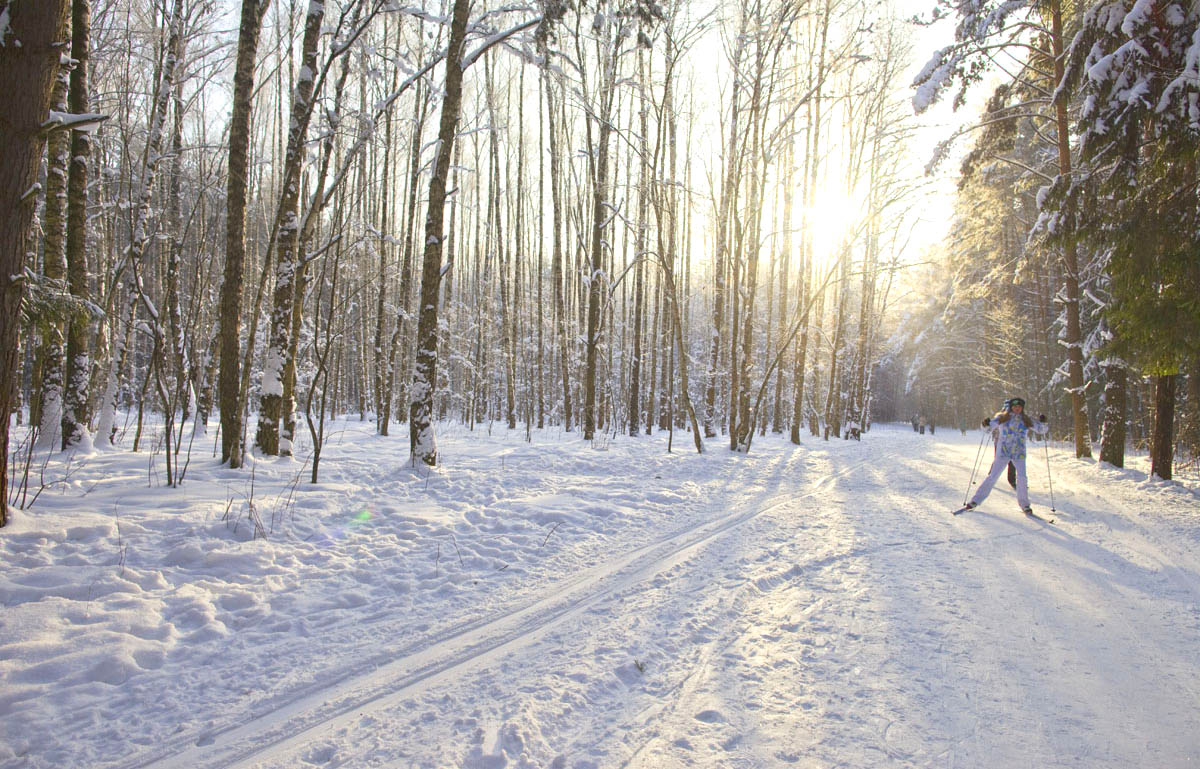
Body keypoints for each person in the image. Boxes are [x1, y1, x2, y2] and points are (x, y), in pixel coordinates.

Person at [964, 397, 1048, 514]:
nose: (1017, 409)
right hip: (1003, 452)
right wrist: (985, 424)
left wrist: (1043, 422)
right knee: (993, 476)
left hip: (1019, 453)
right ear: (1011, 407)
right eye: (1014, 407)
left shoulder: (1026, 419)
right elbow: (988, 428)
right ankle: (975, 501)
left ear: (1022, 408)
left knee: (1022, 478)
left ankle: (1025, 505)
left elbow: (1041, 430)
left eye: (1019, 407)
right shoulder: (1002, 417)